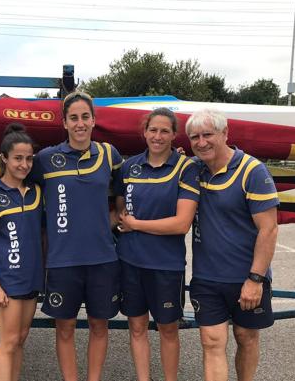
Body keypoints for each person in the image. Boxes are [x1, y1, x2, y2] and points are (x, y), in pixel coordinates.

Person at [0, 91, 124, 381]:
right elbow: (13, 170)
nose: (80, 123)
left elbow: (122, 187)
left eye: (85, 117)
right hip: (61, 261)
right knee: (64, 328)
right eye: (73, 118)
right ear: (64, 122)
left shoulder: (109, 154)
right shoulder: (45, 158)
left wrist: (118, 215)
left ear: (94, 120)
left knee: (99, 326)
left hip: (103, 258)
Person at [186, 108, 279, 381]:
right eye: (194, 137)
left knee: (246, 337)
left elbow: (269, 229)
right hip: (207, 278)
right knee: (211, 342)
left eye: (207, 135)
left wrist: (255, 279)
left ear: (225, 133)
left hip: (246, 277)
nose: (201, 142)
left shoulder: (253, 170)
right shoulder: (193, 169)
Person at [114, 108, 199, 381]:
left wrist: (136, 225)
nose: (158, 136)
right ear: (145, 132)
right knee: (136, 328)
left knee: (168, 330)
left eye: (164, 131)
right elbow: (120, 209)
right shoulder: (129, 167)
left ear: (174, 134)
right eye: (153, 130)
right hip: (130, 261)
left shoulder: (186, 168)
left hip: (165, 265)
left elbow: (181, 223)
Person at [0, 123, 44, 381]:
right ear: (4, 158)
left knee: (21, 340)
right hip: (7, 281)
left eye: (28, 159)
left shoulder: (36, 191)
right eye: (17, 158)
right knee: (8, 342)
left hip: (32, 278)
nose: (24, 165)